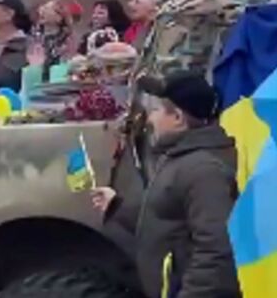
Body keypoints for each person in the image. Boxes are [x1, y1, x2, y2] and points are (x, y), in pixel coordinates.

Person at [91, 70, 241, 298]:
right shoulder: (180, 159)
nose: (150, 119)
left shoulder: (204, 170)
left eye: (156, 110)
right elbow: (167, 218)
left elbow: (216, 251)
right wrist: (116, 206)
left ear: (178, 118)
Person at [29, 0, 76, 80]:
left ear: (59, 17)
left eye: (47, 9)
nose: (42, 11)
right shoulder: (34, 37)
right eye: (43, 8)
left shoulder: (67, 39)